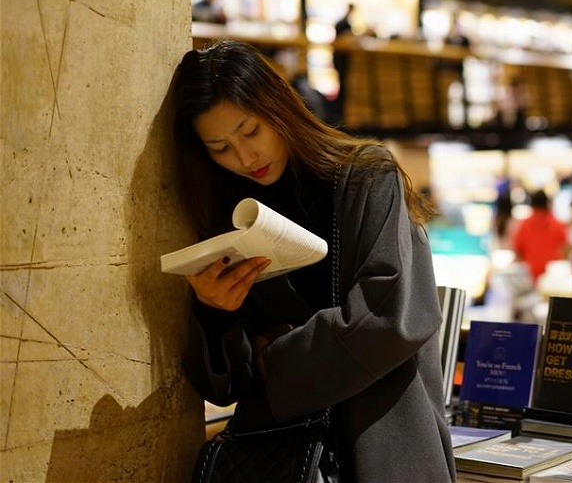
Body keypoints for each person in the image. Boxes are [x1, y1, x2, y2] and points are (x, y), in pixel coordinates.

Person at [165, 40, 455, 483]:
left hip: (387, 446)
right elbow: (225, 387)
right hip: (285, 461)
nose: (244, 158)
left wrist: (274, 360)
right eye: (220, 147)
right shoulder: (231, 217)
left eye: (250, 131)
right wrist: (214, 314)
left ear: (279, 108)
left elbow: (389, 319)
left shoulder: (367, 177)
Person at [511, 190, 568, 283]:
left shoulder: (525, 224)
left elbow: (518, 248)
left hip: (531, 273)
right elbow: (565, 247)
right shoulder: (557, 223)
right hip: (551, 275)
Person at [331, 3, 356, 126]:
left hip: (338, 57)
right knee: (342, 87)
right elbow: (345, 40)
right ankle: (339, 115)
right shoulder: (344, 23)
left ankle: (339, 114)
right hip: (341, 58)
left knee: (342, 86)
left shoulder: (342, 22)